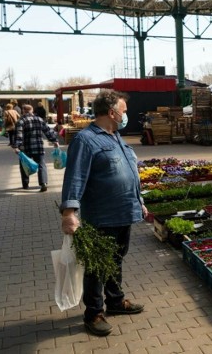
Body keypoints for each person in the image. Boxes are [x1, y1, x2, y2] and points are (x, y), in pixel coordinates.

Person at [59, 89, 147, 337]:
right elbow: (74, 178)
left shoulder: (115, 137)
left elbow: (128, 174)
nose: (126, 115)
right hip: (101, 217)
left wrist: (138, 201)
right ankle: (94, 313)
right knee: (97, 266)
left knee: (116, 260)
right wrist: (69, 213)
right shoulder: (86, 140)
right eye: (124, 111)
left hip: (123, 212)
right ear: (112, 112)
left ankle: (116, 302)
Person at [13, 104, 59, 191]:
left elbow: (19, 135)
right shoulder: (39, 119)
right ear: (32, 110)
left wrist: (16, 146)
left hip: (26, 148)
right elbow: (48, 131)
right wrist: (54, 141)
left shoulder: (21, 121)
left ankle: (25, 184)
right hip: (38, 146)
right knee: (41, 164)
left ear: (23, 111)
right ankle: (43, 183)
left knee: (24, 165)